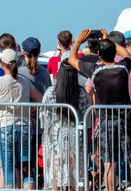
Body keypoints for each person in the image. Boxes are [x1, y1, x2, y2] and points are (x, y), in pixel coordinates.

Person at [66, 28, 131, 191]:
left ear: (98, 54)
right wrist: (109, 41)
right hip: (125, 118)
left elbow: (71, 59)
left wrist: (78, 41)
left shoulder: (95, 71)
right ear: (114, 53)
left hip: (107, 120)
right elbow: (127, 54)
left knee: (109, 163)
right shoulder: (123, 69)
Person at [0, 49, 42, 189]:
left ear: (2, 63)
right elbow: (40, 99)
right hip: (25, 125)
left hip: (6, 125)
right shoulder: (25, 81)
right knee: (26, 166)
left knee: (8, 166)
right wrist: (27, 110)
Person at [39, 61, 90, 191]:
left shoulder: (50, 92)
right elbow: (87, 118)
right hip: (76, 139)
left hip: (54, 139)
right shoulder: (82, 93)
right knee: (75, 174)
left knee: (55, 173)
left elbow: (43, 117)